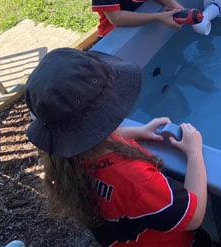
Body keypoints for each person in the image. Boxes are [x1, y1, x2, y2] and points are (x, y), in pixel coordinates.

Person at [24, 48, 208, 246]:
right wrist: (194, 152)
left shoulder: (64, 158)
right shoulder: (135, 180)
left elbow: (89, 142)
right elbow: (194, 217)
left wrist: (136, 132)